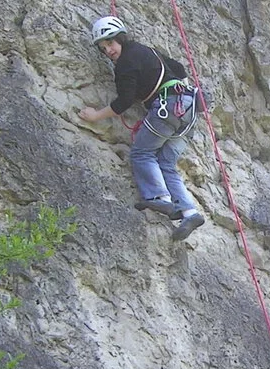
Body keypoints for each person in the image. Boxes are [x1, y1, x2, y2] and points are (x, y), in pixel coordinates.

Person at [78, 16, 206, 241]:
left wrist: (95, 115)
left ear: (120, 38)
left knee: (142, 152)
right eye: (103, 47)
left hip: (168, 106)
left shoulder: (126, 64)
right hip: (188, 108)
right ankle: (190, 212)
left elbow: (124, 102)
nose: (108, 50)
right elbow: (177, 67)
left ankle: (160, 198)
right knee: (166, 162)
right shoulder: (146, 51)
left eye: (110, 43)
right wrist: (181, 93)